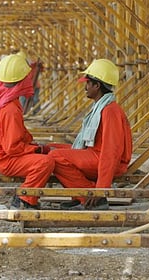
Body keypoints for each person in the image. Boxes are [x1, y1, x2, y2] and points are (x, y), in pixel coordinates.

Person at [48, 59, 133, 210]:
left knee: (56, 157)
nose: (85, 87)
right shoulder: (101, 107)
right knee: (52, 150)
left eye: (87, 83)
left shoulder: (110, 111)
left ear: (97, 85)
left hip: (106, 161)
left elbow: (110, 152)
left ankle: (88, 196)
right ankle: (78, 195)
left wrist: (100, 190)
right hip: (96, 155)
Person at [0, 53, 53, 210]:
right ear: (23, 81)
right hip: (6, 159)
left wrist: (35, 146)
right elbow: (12, 148)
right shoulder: (10, 110)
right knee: (44, 163)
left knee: (55, 149)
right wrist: (37, 149)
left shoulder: (6, 100)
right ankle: (24, 200)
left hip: (4, 155)